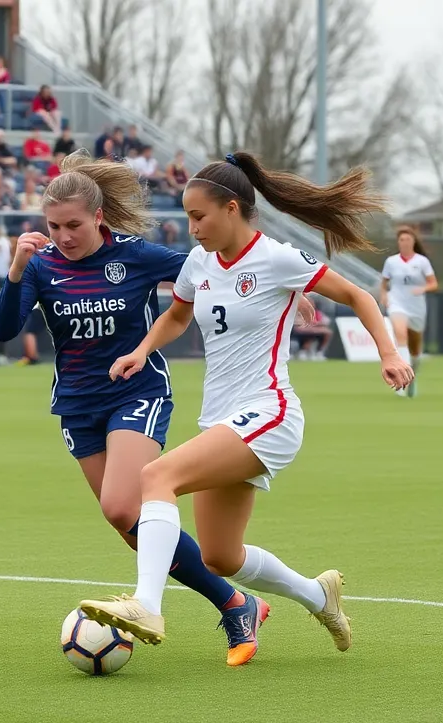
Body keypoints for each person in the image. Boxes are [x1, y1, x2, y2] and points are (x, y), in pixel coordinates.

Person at [77, 152, 412, 657]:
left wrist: (388, 354)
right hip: (223, 419)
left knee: (155, 478)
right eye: (188, 217)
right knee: (219, 557)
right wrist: (141, 351)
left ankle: (147, 603)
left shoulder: (276, 258)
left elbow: (359, 296)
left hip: (270, 410)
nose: (192, 229)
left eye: (199, 216)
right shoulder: (199, 263)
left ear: (232, 208)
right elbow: (176, 316)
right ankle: (318, 595)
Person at [0, 151, 268, 665]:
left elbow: (209, 268)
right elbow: (5, 331)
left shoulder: (136, 256)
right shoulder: (41, 264)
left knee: (123, 505)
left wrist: (279, 293)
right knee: (129, 523)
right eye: (53, 226)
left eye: (73, 225)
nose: (63, 236)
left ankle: (190, 604)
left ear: (98, 217)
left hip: (136, 392)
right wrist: (15, 271)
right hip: (77, 405)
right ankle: (236, 603)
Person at [380, 226, 437, 397]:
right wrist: (384, 295)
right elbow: (384, 282)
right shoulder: (391, 261)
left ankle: (413, 373)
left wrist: (423, 289)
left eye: (408, 240)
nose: (404, 242)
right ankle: (403, 382)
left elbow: (434, 283)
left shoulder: (422, 262)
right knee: (400, 335)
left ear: (413, 242)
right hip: (397, 303)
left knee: (415, 348)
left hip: (417, 307)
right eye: (401, 240)